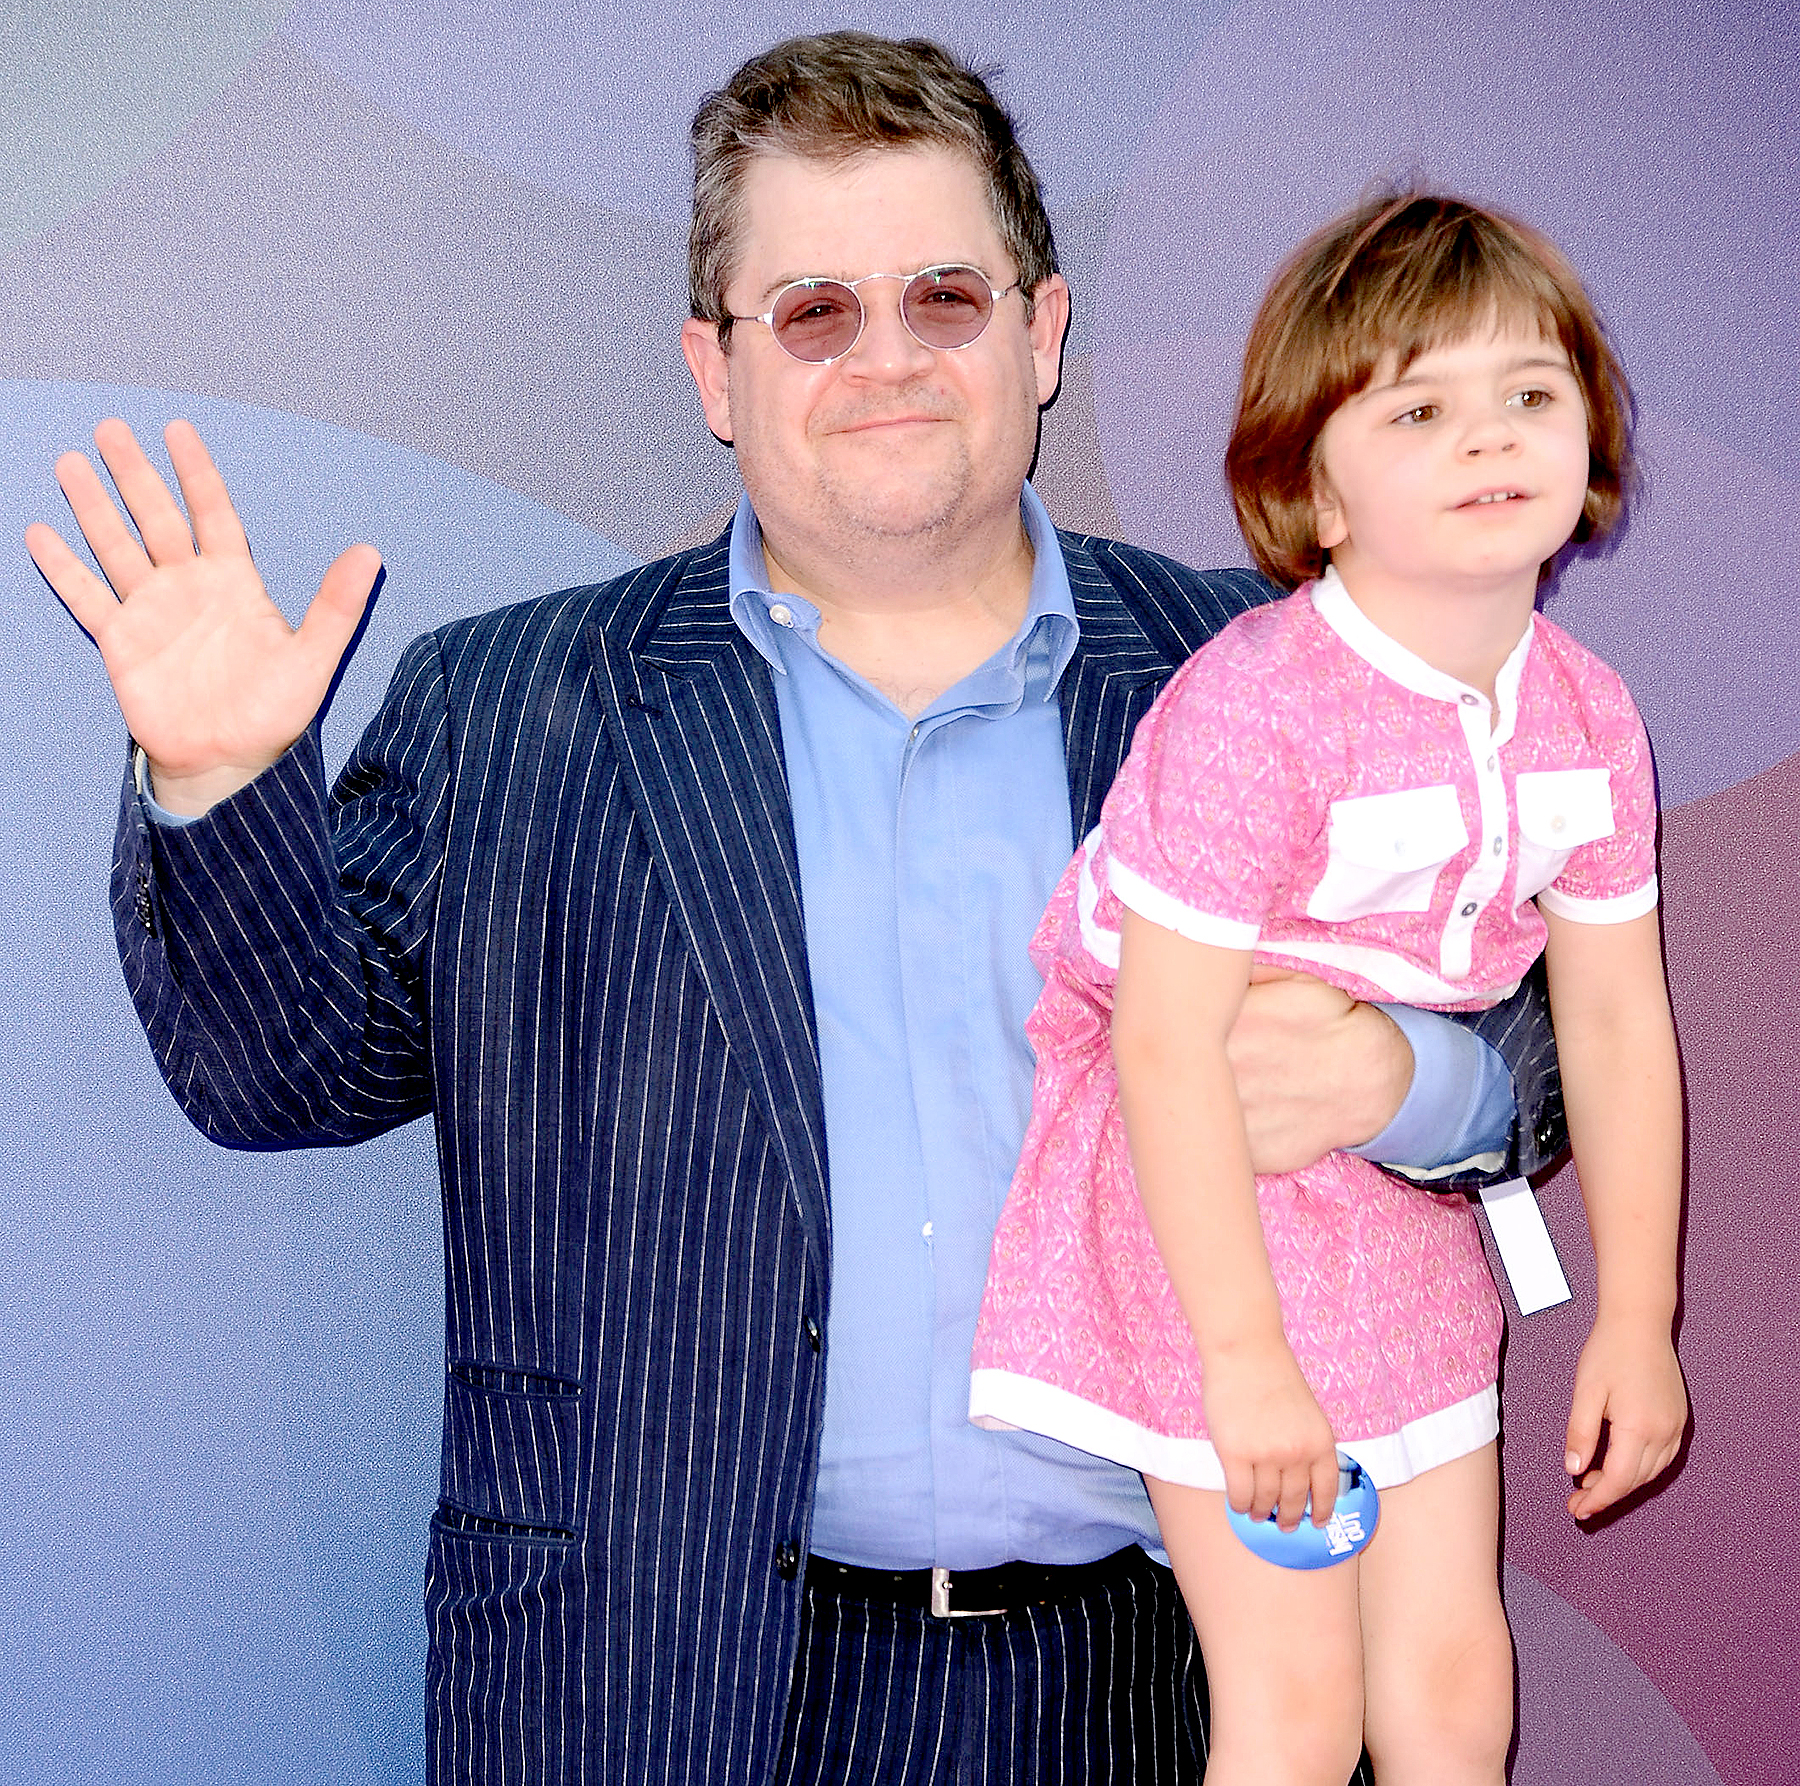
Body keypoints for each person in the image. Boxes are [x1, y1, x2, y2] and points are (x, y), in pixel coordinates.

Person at [28, 37, 1563, 1786]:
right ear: (717, 369)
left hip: (1161, 1680)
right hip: (646, 1689)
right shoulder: (511, 712)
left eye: (944, 297)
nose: (888, 356)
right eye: (814, 311)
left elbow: (1544, 1026)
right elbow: (277, 1072)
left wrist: (1401, 1080)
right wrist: (224, 785)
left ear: (1043, 333)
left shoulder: (1264, 674)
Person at [970, 193, 1688, 1784]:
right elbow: (1158, 1046)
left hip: (1402, 1220)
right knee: (1293, 1713)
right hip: (1197, 1219)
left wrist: (1637, 1320)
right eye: (1421, 408)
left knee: (1452, 1696)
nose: (1489, 439)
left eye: (1532, 393)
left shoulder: (1590, 715)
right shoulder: (1258, 707)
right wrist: (1245, 1359)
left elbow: (1619, 1024)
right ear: (1312, 484)